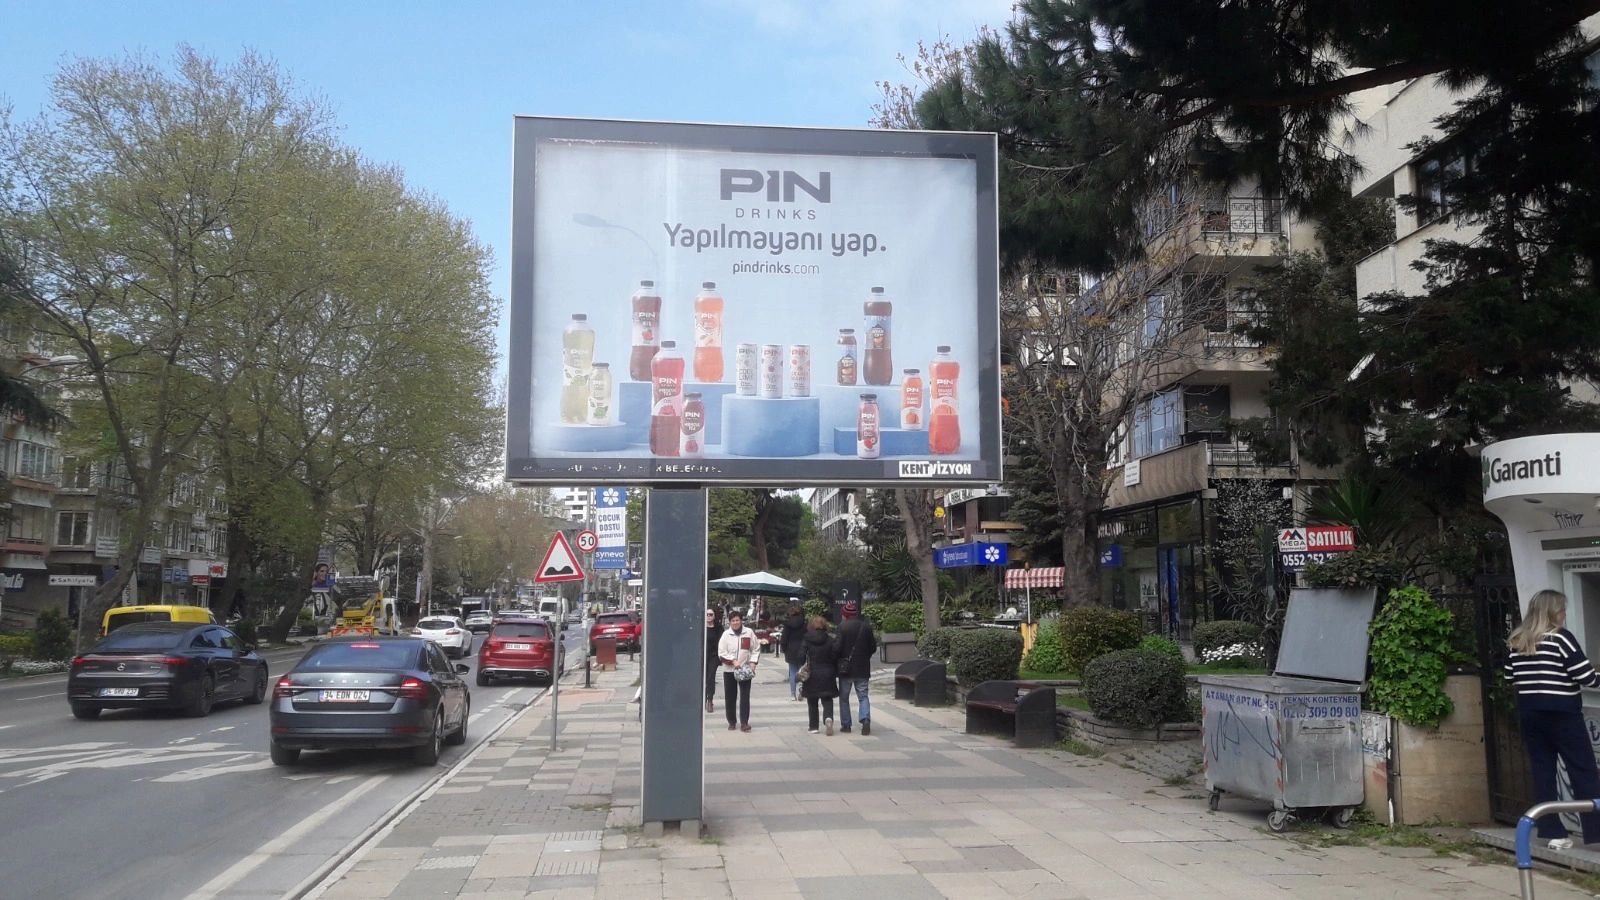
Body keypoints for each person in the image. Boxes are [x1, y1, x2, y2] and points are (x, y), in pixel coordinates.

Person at [1507, 589, 1600, 850]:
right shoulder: (1561, 638)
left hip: (1530, 714)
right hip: (1563, 714)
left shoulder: (1518, 640)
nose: (1564, 614)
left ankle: (1552, 832)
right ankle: (1596, 832)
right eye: (1562, 609)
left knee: (1543, 771)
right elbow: (1587, 677)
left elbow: (1509, 677)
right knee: (1583, 770)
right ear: (1553, 612)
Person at [834, 601, 877, 736]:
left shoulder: (842, 627)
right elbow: (873, 647)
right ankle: (865, 719)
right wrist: (865, 656)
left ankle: (846, 725)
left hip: (845, 668)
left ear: (845, 615)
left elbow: (837, 648)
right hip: (862, 667)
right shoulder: (866, 627)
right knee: (863, 696)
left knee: (844, 698)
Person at [718, 610, 758, 732]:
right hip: (729, 670)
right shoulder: (726, 635)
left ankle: (744, 722)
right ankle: (732, 721)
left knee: (745, 696)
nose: (735, 623)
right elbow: (721, 653)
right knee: (730, 697)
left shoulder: (749, 632)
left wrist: (753, 663)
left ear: (741, 621)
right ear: (730, 622)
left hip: (744, 670)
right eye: (733, 621)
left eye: (737, 620)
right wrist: (733, 661)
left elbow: (755, 649)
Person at [800, 615, 840, 735]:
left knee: (812, 700)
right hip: (828, 672)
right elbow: (835, 656)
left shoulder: (807, 639)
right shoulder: (830, 639)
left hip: (812, 673)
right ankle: (828, 718)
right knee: (827, 698)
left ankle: (813, 727)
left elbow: (800, 657)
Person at [782, 605, 807, 701]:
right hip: (802, 649)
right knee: (802, 671)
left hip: (790, 650)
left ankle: (793, 694)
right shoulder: (804, 624)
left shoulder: (787, 625)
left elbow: (784, 639)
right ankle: (801, 688)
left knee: (792, 672)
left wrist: (784, 649)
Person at [704, 608, 721, 714]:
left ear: (714, 616)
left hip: (714, 656)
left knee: (711, 677)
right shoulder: (701, 627)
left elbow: (722, 642)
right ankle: (703, 699)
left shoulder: (718, 628)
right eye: (707, 614)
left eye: (711, 614)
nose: (709, 616)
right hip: (702, 656)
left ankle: (710, 700)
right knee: (703, 678)